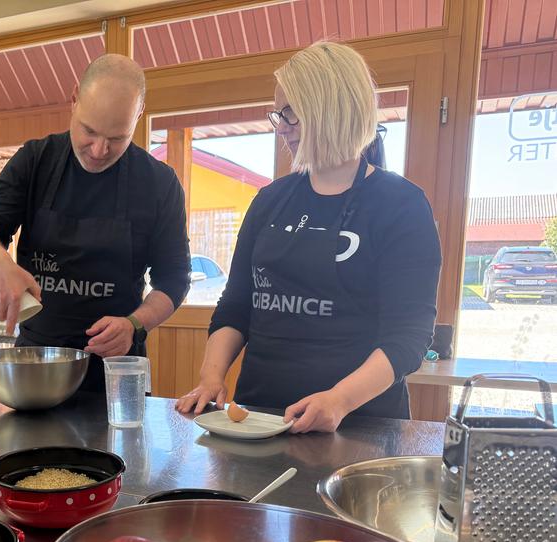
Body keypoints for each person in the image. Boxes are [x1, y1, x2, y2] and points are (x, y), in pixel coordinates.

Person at [176, 41, 441, 432]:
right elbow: (236, 306)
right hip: (259, 422)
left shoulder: (401, 205)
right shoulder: (269, 201)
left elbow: (408, 339)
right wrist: (211, 377)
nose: (281, 127)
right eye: (278, 114)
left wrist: (339, 400)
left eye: (291, 114)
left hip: (359, 426)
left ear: (332, 109)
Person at [0, 54, 190, 391]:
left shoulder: (158, 183)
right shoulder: (35, 161)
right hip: (36, 367)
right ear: (74, 100)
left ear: (137, 118)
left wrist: (135, 325)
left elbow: (174, 280)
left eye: (117, 138)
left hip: (115, 375)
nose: (98, 150)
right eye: (89, 131)